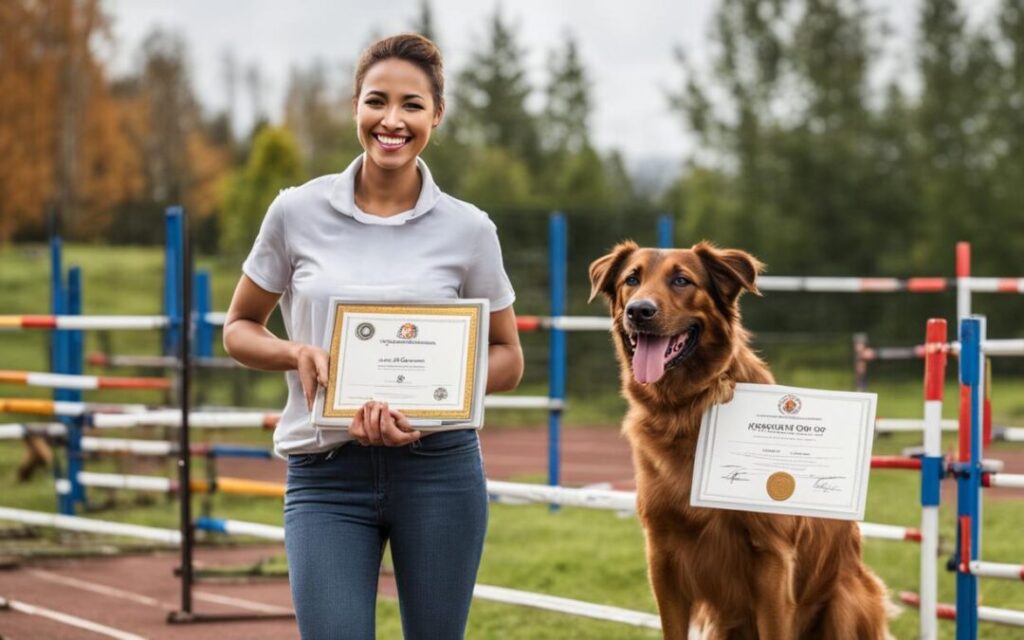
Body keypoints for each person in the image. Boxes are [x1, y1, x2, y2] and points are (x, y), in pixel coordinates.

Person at [222, 33, 524, 640]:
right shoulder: (294, 212)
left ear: (437, 114)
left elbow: (508, 358)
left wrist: (439, 393)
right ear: (355, 106)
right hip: (325, 475)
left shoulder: (470, 230)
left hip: (439, 472)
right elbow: (238, 328)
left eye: (412, 105)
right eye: (376, 101)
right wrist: (295, 352)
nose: (392, 120)